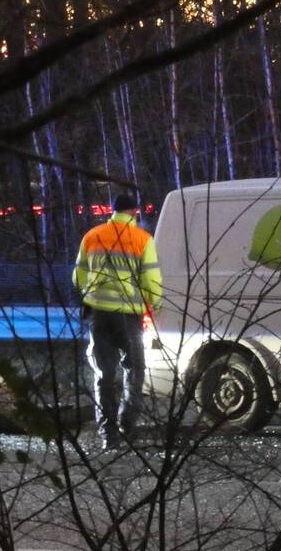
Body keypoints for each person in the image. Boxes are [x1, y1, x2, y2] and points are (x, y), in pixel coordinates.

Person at [72, 193, 161, 450]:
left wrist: (93, 291)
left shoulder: (92, 236)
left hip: (98, 313)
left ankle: (108, 433)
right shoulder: (142, 239)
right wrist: (155, 303)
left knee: (104, 373)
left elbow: (78, 277)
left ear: (113, 211)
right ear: (134, 212)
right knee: (135, 369)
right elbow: (151, 279)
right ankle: (128, 421)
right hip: (129, 314)